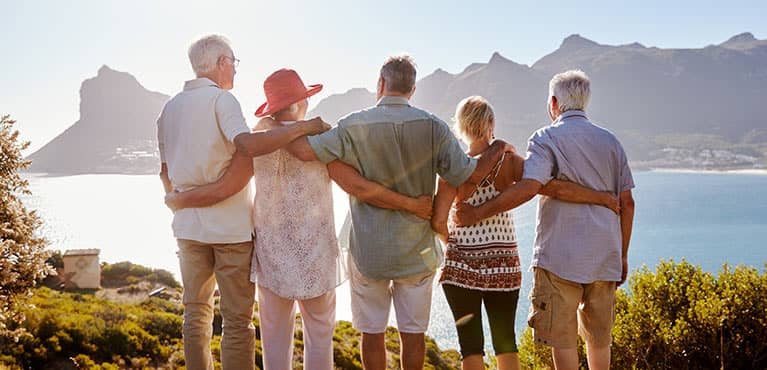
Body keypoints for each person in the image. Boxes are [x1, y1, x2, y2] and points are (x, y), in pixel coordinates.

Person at [165, 68, 433, 370]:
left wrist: (181, 198)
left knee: (275, 343)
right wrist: (410, 203)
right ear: (301, 103)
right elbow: (355, 184)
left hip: (272, 258)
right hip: (316, 257)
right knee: (319, 340)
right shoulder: (321, 140)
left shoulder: (257, 139)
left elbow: (230, 185)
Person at [282, 54, 514, 370]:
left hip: (367, 249)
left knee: (372, 334)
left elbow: (302, 151)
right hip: (417, 250)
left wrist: (306, 128)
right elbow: (468, 175)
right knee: (413, 335)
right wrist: (497, 148)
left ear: (380, 84)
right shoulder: (435, 127)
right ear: (412, 88)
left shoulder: (352, 125)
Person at [156, 35, 329, 370]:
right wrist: (306, 126)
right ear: (222, 62)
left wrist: (181, 200)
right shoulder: (223, 101)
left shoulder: (169, 109)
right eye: (234, 61)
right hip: (230, 232)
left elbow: (165, 172)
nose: (235, 68)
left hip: (188, 229)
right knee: (236, 321)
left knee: (195, 315)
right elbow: (247, 146)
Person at [455, 71, 636, 370]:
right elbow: (627, 203)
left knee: (563, 341)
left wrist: (476, 213)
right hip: (606, 255)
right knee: (599, 341)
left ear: (554, 103)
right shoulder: (611, 142)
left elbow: (529, 187)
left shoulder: (545, 138)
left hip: (558, 259)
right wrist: (623, 255)